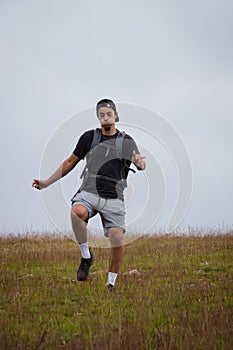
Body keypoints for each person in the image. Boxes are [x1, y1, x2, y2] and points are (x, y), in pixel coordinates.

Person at [32, 98, 146, 292]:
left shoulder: (126, 141)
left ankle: (111, 284)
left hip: (114, 196)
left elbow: (140, 164)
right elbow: (69, 162)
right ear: (98, 118)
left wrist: (139, 162)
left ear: (116, 116)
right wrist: (46, 183)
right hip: (89, 191)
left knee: (117, 238)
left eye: (109, 114)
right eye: (101, 115)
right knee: (76, 212)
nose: (105, 117)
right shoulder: (88, 138)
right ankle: (86, 257)